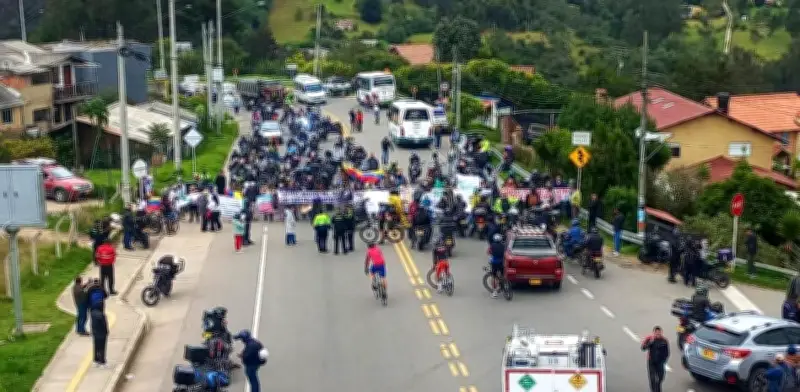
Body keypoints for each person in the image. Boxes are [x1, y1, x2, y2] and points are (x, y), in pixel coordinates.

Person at [641, 326, 669, 392]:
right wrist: (650, 343)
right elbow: (643, 348)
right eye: (656, 332)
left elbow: (667, 352)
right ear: (654, 333)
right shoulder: (649, 339)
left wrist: (664, 360)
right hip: (651, 361)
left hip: (660, 362)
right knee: (652, 378)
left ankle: (658, 387)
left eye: (659, 332)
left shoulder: (664, 340)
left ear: (661, 332)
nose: (658, 334)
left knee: (661, 377)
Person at [488, 234, 506, 298]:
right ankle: (503, 285)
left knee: (494, 277)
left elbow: (488, 252)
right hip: (502, 263)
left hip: (494, 263)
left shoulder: (492, 245)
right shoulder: (504, 245)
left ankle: (494, 292)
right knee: (502, 275)